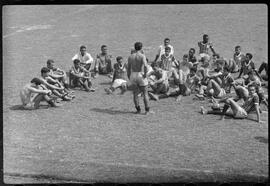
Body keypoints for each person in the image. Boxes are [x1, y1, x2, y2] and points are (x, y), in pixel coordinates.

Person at [127, 42, 152, 114]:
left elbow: (128, 68)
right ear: (141, 48)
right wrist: (145, 74)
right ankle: (147, 111)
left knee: (135, 93)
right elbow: (145, 65)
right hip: (140, 74)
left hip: (133, 74)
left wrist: (129, 76)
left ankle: (138, 110)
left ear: (134, 47)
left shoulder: (130, 56)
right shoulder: (142, 56)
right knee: (145, 93)